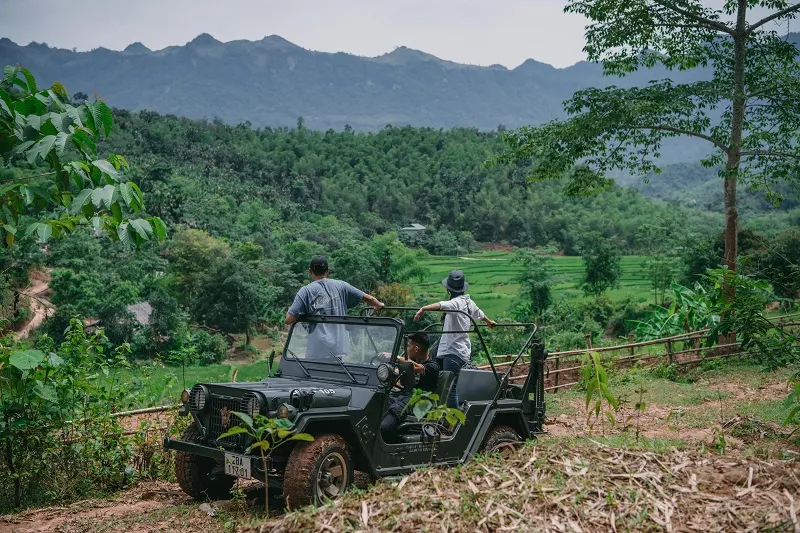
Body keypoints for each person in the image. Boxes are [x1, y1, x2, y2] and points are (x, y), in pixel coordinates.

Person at [414, 269, 495, 408]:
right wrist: (489, 322)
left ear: (449, 289)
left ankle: (453, 421)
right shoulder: (469, 302)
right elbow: (480, 314)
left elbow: (442, 305)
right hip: (457, 350)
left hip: (453, 351)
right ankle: (437, 410)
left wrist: (423, 309)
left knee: (450, 387)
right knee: (438, 378)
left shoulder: (456, 303)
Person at [286, 255, 384, 358]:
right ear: (327, 271)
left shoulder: (305, 291)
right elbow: (367, 298)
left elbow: (289, 319)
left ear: (310, 271)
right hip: (338, 351)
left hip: (316, 352)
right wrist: (378, 305)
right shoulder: (342, 286)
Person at [380, 332, 439, 443]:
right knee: (379, 401)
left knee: (384, 428)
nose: (407, 349)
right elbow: (399, 371)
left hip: (419, 402)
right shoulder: (412, 364)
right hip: (403, 399)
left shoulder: (432, 366)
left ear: (416, 349)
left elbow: (415, 367)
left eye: (408, 346)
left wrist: (395, 357)